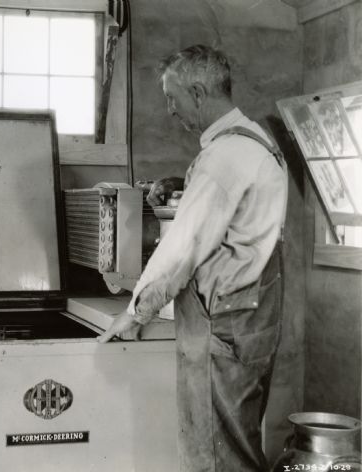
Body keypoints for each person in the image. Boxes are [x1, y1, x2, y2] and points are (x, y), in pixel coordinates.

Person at [98, 45, 288, 472]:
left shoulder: (221, 158)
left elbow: (181, 247)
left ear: (199, 93)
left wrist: (134, 311)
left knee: (216, 456)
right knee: (239, 443)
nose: (169, 109)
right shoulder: (257, 143)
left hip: (224, 325)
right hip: (254, 319)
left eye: (172, 97)